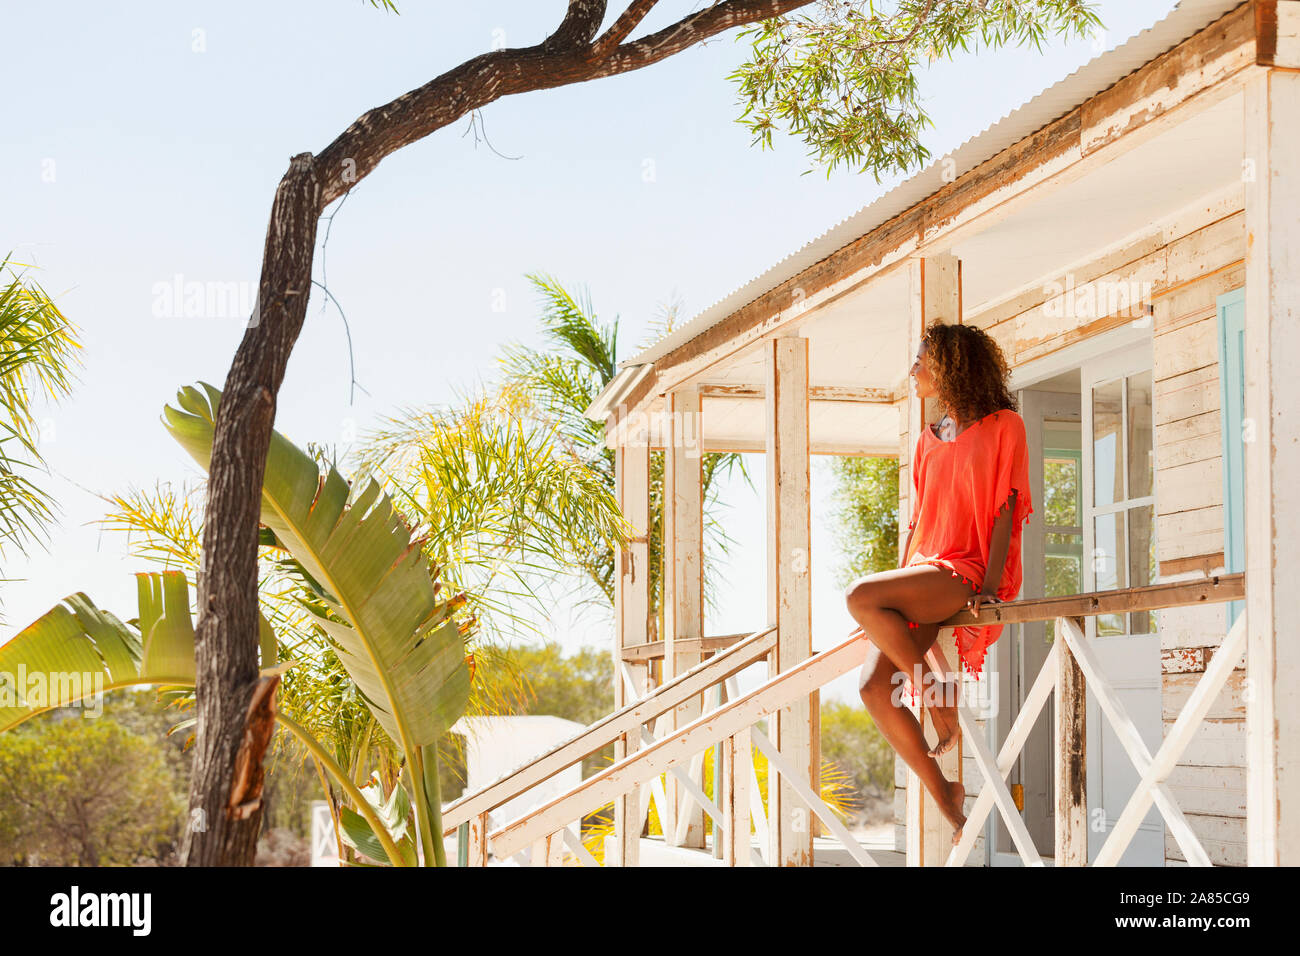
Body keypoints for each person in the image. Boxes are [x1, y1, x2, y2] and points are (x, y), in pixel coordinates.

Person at [844, 321, 1032, 847]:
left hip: (964, 571)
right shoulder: (928, 441)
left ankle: (934, 694)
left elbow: (1006, 508)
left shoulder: (1005, 427)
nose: (913, 371)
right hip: (923, 572)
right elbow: (921, 520)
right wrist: (898, 586)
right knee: (872, 689)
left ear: (950, 366)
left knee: (858, 594)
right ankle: (944, 791)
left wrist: (990, 585)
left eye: (921, 360)